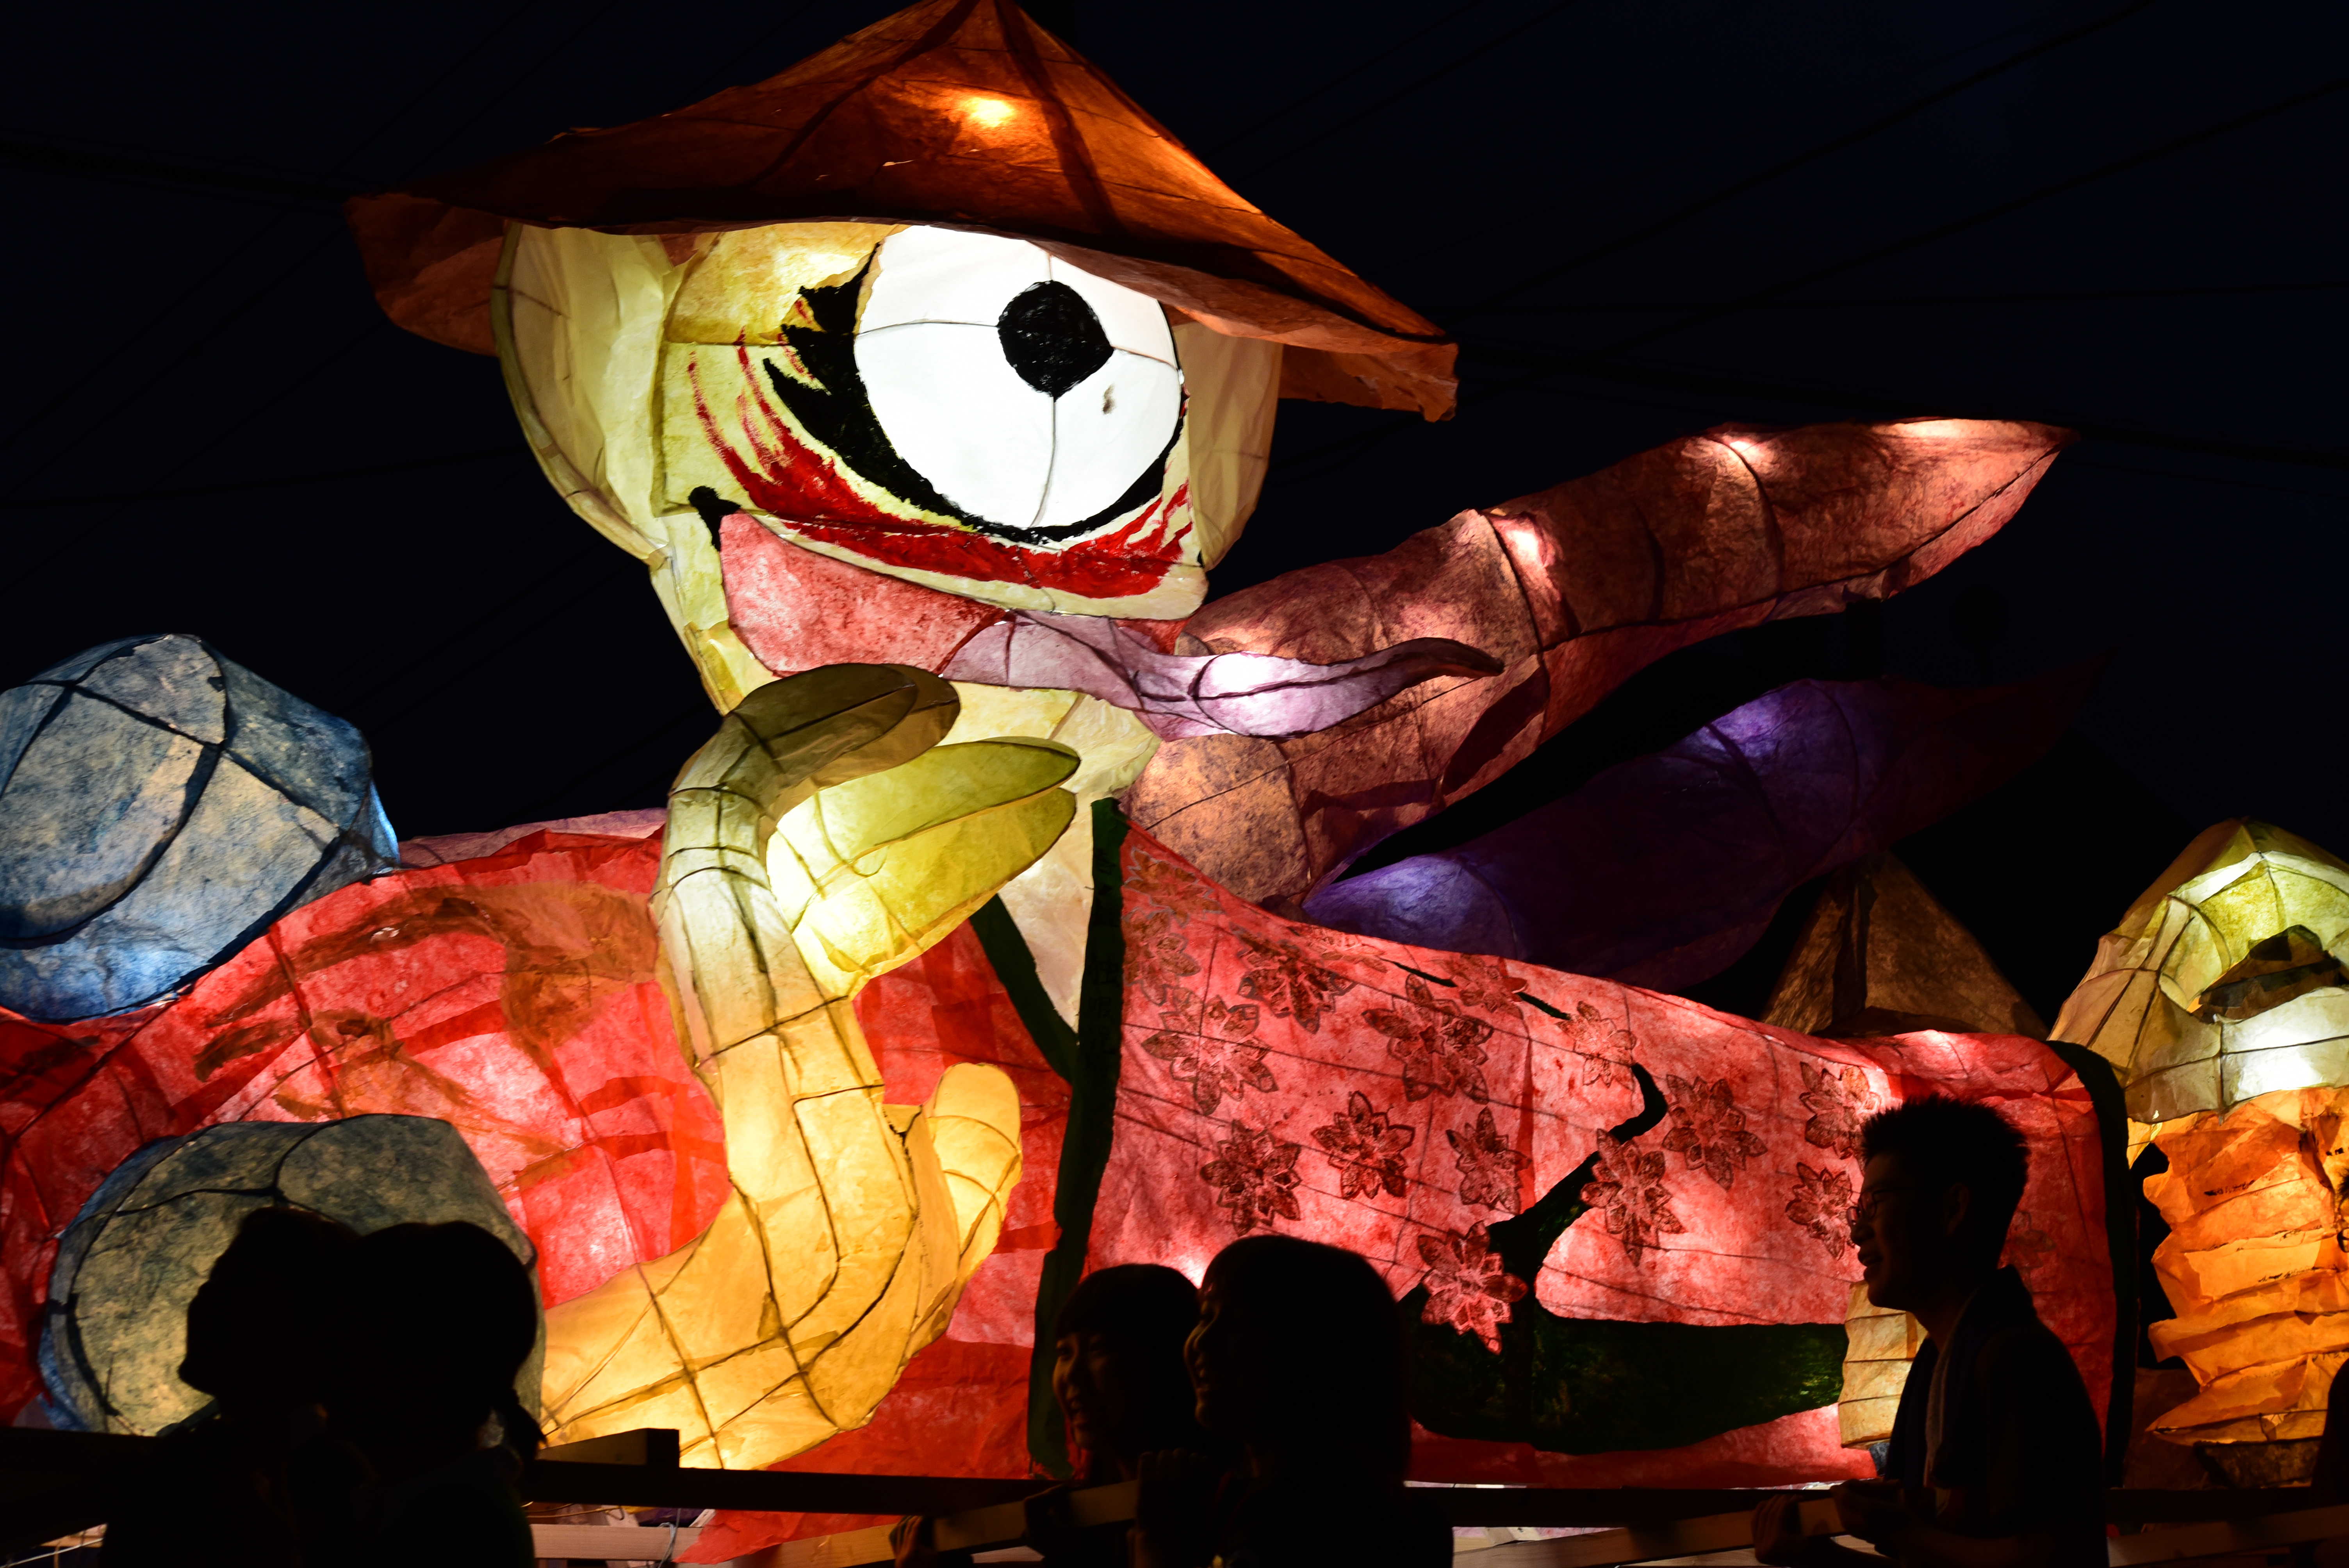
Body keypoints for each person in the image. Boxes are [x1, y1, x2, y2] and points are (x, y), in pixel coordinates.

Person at [1754, 1096, 2105, 1568]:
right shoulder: (1938, 1361)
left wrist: (1901, 1531)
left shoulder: (2017, 1358)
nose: (1858, 1233)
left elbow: (2053, 1558)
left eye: (1876, 1204)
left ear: (1951, 1208)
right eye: (1859, 1211)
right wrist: (1819, 1557)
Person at [1132, 1235, 1450, 1568]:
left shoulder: (1311, 1524)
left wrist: (1160, 1552)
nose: (1204, 1341)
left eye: (1241, 1323)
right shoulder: (1406, 1515)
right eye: (1205, 1316)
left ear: (1315, 1353)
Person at [894, 1263, 1216, 1566]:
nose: (1072, 1374)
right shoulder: (1087, 1516)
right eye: (1064, 1353)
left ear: (1165, 1361)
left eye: (1098, 1348)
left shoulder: (1216, 1501)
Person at [103, 1206, 361, 1568]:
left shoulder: (334, 1483)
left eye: (235, 1284)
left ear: (300, 1322)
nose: (202, 1300)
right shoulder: (188, 1466)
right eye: (212, 1281)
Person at [323, 1221, 541, 1568]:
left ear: (419, 1361)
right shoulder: (442, 1502)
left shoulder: (456, 1524)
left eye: (346, 1340)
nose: (324, 1366)